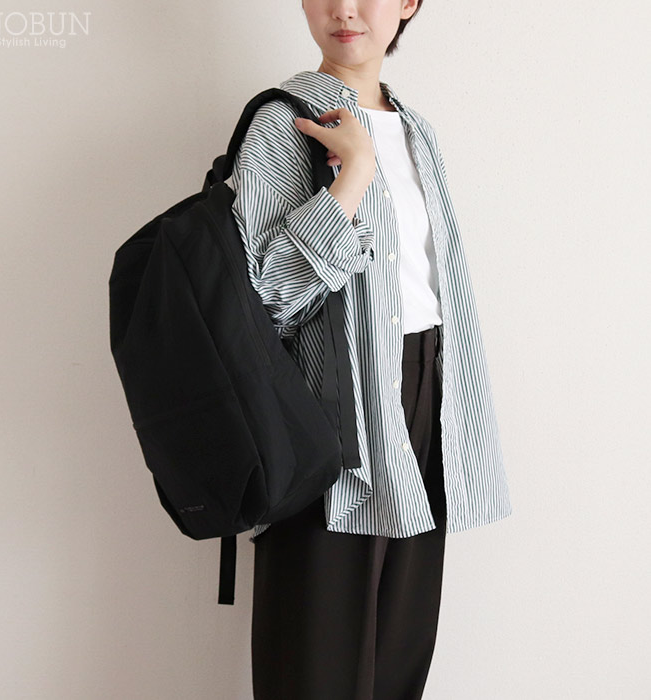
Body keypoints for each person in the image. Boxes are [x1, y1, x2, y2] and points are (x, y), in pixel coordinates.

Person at [228, 1, 513, 697]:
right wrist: (350, 179)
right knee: (317, 659)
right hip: (330, 411)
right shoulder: (282, 123)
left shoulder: (416, 130)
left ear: (409, 2)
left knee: (399, 653)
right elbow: (264, 297)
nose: (344, 9)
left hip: (428, 394)